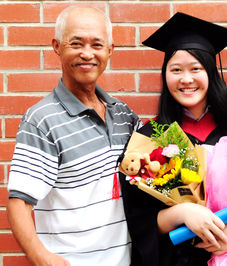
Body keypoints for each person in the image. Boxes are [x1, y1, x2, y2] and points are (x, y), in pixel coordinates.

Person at [119, 12, 227, 266]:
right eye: (176, 70)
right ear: (165, 75)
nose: (186, 79)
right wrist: (183, 212)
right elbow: (139, 221)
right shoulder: (150, 139)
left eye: (196, 69)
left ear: (211, 72)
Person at [6, 6, 142, 266]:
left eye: (97, 44)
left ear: (110, 50)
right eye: (76, 43)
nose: (87, 53)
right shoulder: (42, 120)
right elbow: (19, 203)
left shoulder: (124, 114)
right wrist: (40, 256)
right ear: (57, 46)